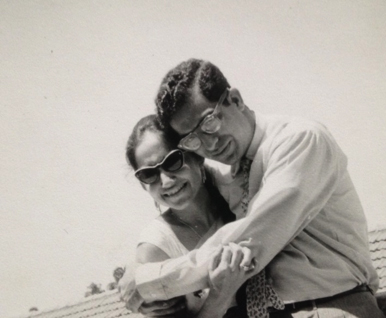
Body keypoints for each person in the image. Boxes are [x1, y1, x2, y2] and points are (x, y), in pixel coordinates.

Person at [121, 59, 384, 317]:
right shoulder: (226, 171)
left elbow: (251, 238)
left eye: (209, 123)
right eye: (192, 139)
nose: (209, 145)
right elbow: (184, 186)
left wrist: (147, 281)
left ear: (235, 100)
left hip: (330, 306)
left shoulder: (299, 142)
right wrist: (138, 267)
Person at [125, 114, 259, 317]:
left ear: (196, 154)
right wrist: (220, 295)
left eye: (172, 161)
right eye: (148, 174)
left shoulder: (236, 194)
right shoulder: (156, 247)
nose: (166, 181)